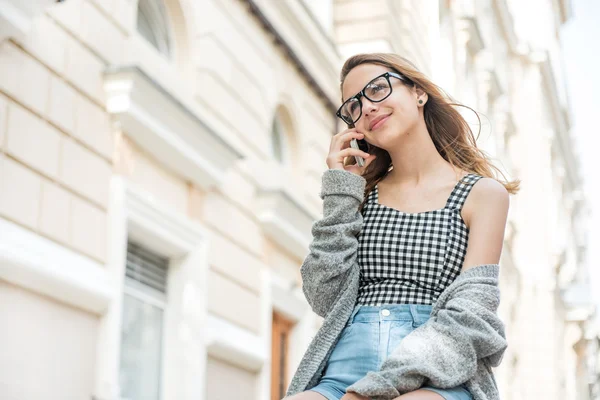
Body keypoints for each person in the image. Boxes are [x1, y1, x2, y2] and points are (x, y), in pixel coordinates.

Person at [284, 53, 520, 400]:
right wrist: (340, 192)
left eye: (377, 89)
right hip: (343, 375)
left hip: (436, 376)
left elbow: (472, 313)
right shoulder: (359, 194)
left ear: (418, 92)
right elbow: (324, 298)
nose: (366, 107)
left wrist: (373, 391)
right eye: (353, 106)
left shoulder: (482, 194)